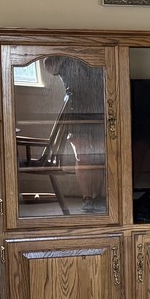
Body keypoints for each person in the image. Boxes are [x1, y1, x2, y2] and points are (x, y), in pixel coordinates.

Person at [42, 55, 107, 213]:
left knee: (99, 158)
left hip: (101, 110)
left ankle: (97, 197)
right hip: (77, 111)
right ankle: (87, 198)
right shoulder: (65, 57)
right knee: (83, 156)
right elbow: (50, 67)